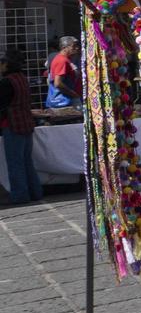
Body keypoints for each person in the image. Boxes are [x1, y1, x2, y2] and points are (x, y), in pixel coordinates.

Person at [0, 51, 43, 204]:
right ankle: (35, 191)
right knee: (26, 161)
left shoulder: (6, 82)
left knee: (15, 163)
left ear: (7, 65)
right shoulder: (22, 78)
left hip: (12, 124)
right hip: (26, 122)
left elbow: (3, 105)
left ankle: (20, 195)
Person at [45, 36, 81, 109]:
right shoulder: (62, 61)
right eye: (73, 46)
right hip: (62, 102)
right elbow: (57, 83)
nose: (77, 48)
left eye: (77, 45)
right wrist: (74, 94)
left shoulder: (66, 59)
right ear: (64, 48)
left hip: (64, 100)